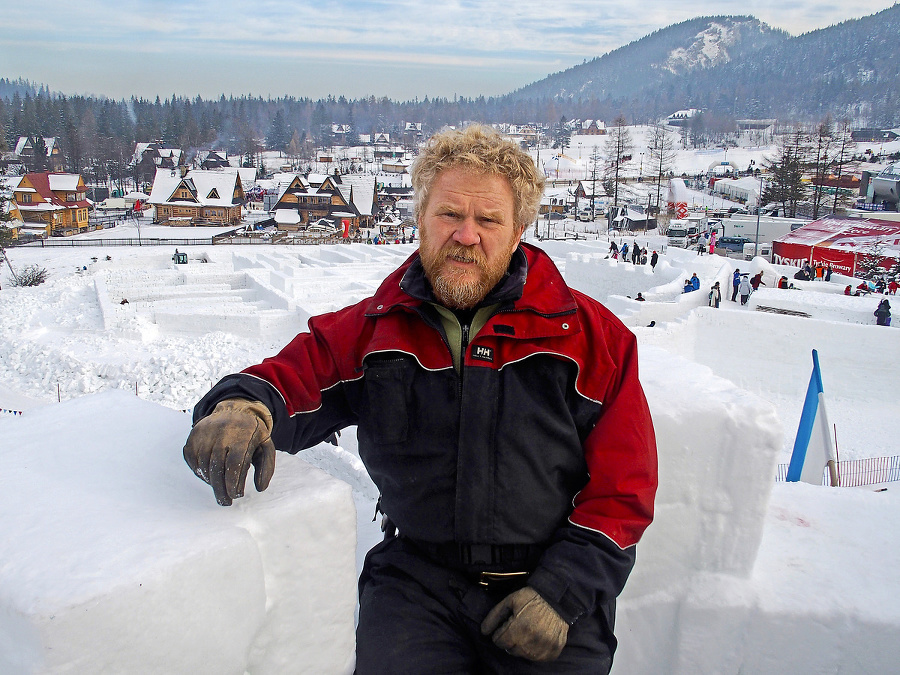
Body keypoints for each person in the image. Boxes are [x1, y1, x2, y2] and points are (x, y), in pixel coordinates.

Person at [181, 125, 658, 674]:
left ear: (520, 229)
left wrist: (561, 594)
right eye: (450, 214)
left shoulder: (592, 340)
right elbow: (290, 378)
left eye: (488, 220)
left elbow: (625, 489)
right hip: (417, 583)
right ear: (421, 218)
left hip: (551, 584)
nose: (466, 235)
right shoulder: (375, 331)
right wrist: (243, 409)